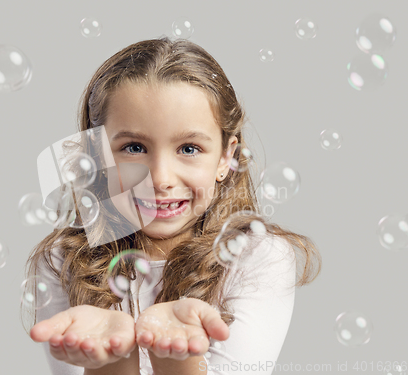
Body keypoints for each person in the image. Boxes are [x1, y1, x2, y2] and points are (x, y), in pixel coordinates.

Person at [22, 36, 322, 375]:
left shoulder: (257, 256)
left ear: (227, 157)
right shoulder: (63, 260)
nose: (161, 178)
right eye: (134, 148)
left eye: (189, 149)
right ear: (97, 156)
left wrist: (178, 360)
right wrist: (111, 360)